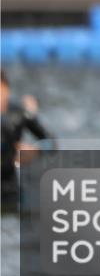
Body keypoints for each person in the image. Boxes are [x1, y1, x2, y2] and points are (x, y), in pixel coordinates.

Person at [1, 69, 51, 212]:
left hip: (11, 191)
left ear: (6, 88)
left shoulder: (19, 113)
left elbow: (51, 144)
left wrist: (35, 151)